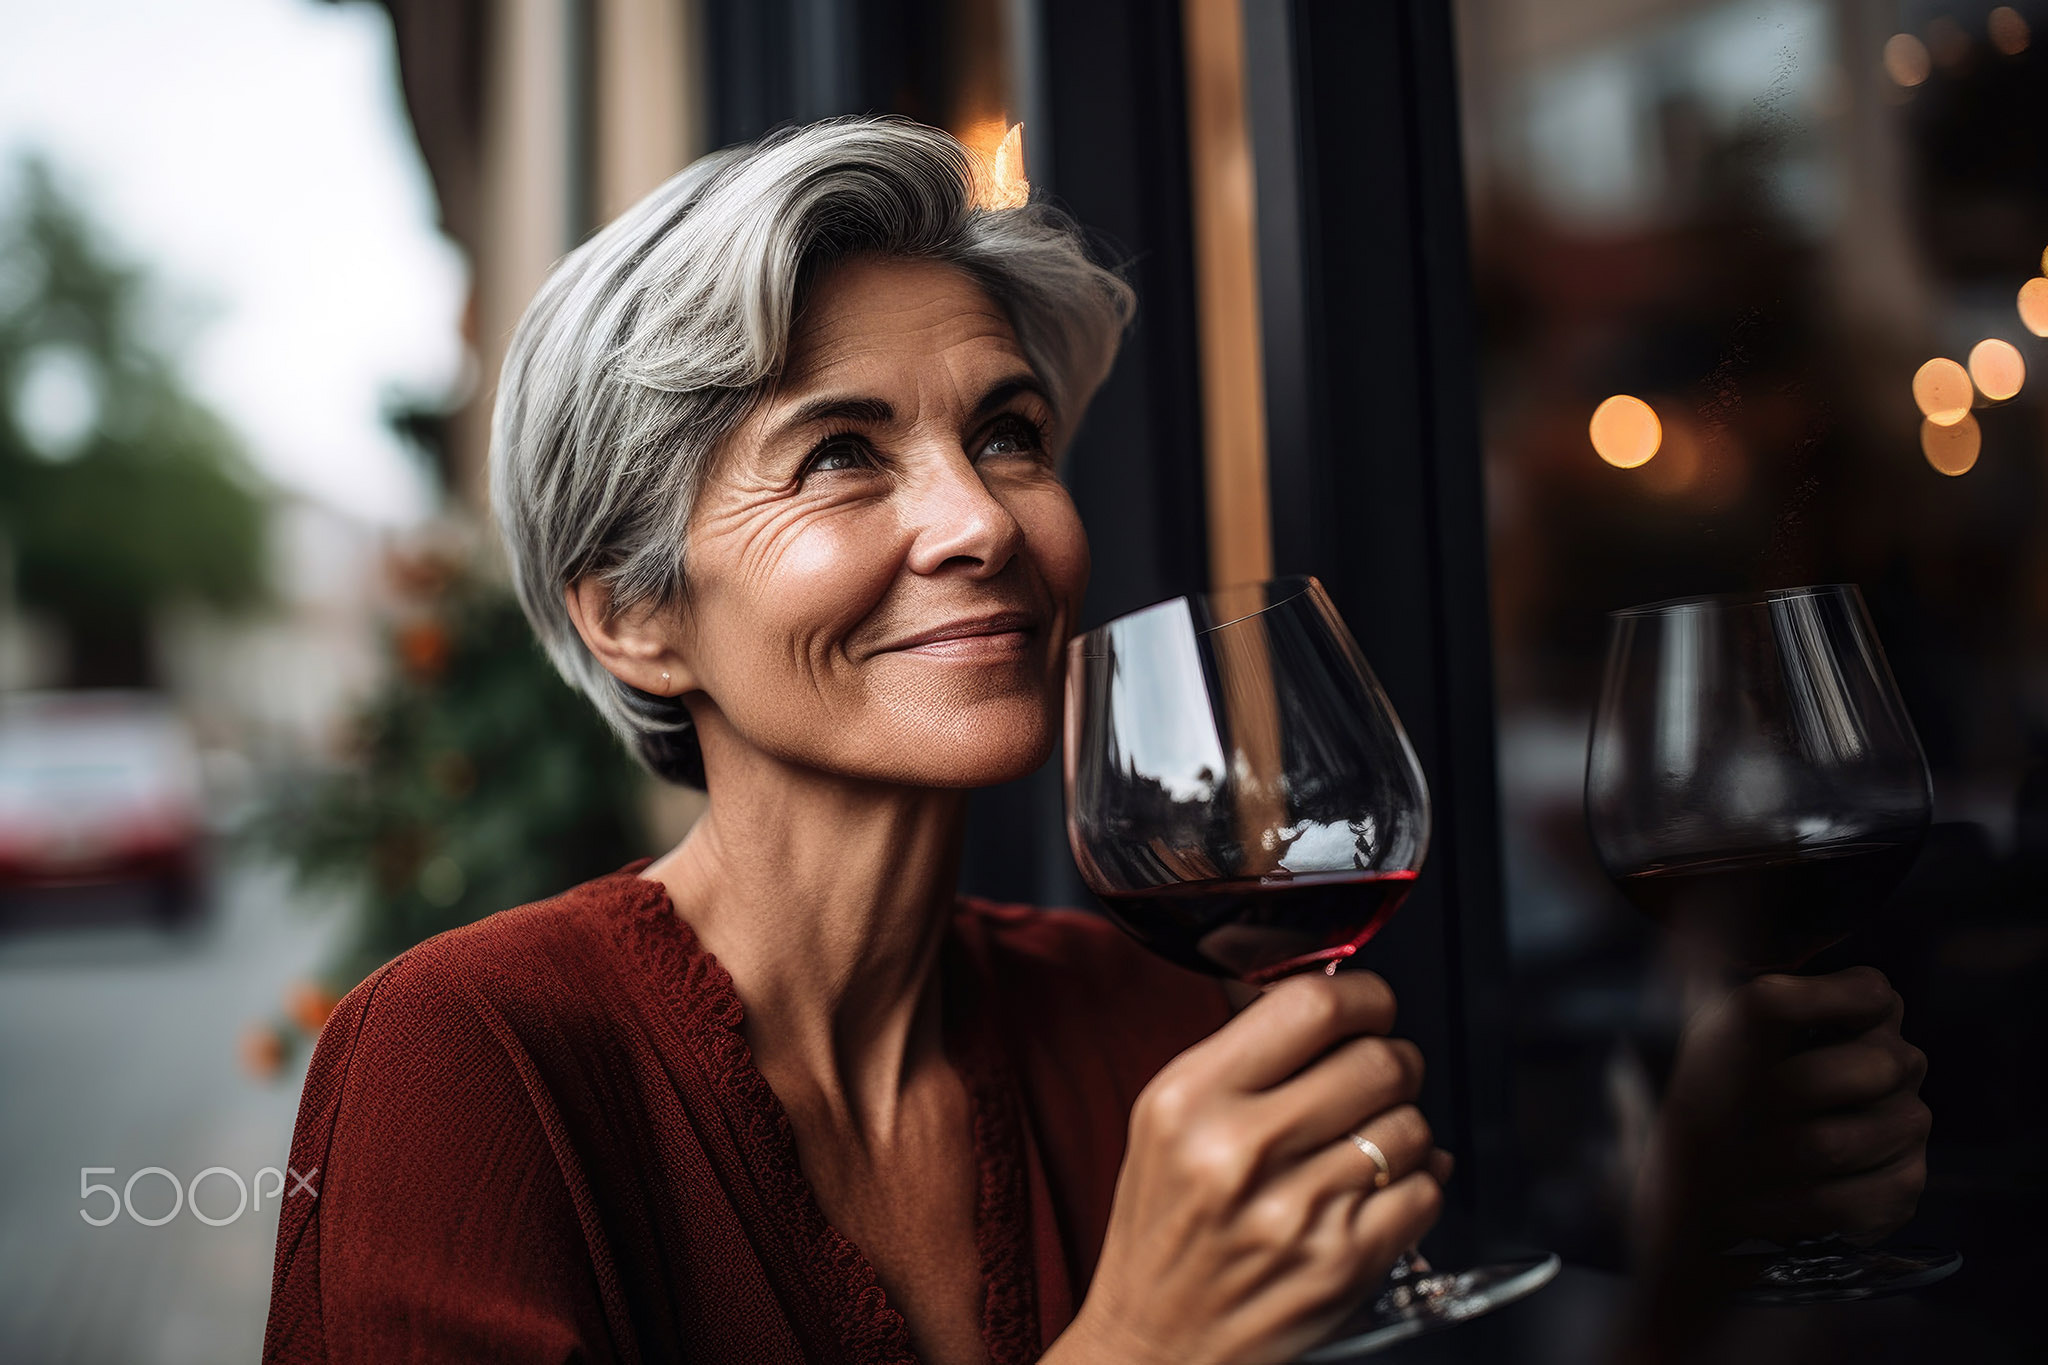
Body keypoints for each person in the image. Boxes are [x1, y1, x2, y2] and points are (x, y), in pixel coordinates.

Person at [262, 116, 1447, 1365]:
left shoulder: (1142, 1020)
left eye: (1007, 434)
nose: (980, 522)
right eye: (838, 454)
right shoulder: (467, 1062)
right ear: (633, 617)